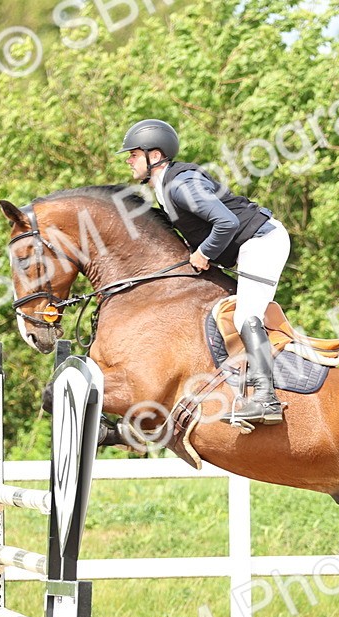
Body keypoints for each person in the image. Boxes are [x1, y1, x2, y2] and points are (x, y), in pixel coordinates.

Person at [118, 118, 289, 426]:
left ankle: (266, 399)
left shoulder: (181, 185)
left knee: (243, 316)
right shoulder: (163, 186)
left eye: (133, 154)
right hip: (250, 246)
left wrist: (203, 253)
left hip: (263, 242)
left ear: (154, 156)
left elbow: (227, 222)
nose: (128, 160)